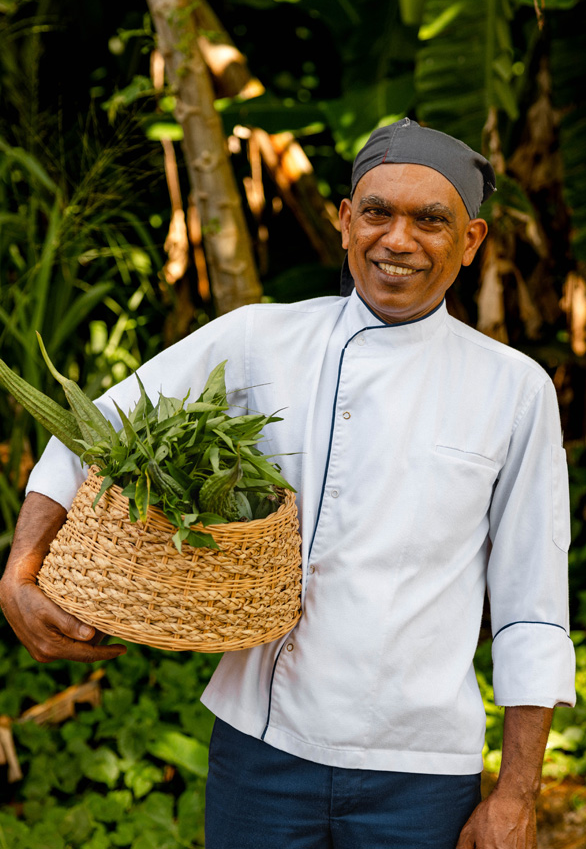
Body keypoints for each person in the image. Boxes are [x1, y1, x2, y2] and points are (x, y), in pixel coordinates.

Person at [0, 118, 576, 849]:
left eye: (431, 220)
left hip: (421, 770)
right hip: (260, 753)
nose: (399, 239)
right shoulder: (256, 340)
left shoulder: (513, 389)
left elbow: (533, 606)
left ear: (470, 241)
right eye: (377, 212)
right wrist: (23, 567)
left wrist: (516, 794)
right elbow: (90, 435)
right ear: (344, 222)